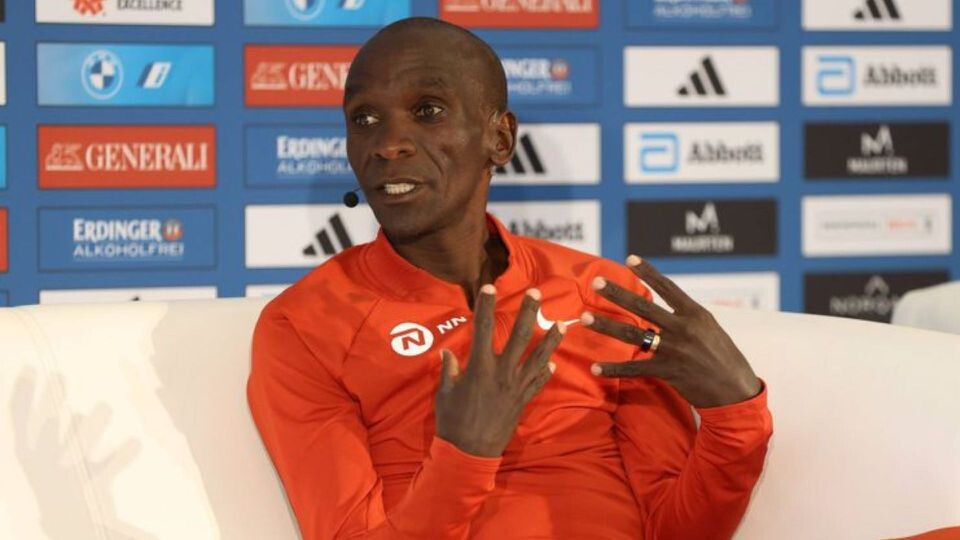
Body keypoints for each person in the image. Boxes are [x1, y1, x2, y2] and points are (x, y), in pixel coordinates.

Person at [247, 17, 772, 540]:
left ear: (499, 138)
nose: (388, 144)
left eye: (427, 111)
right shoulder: (306, 324)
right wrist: (464, 455)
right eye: (364, 119)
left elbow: (675, 530)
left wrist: (735, 413)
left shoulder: (602, 294)